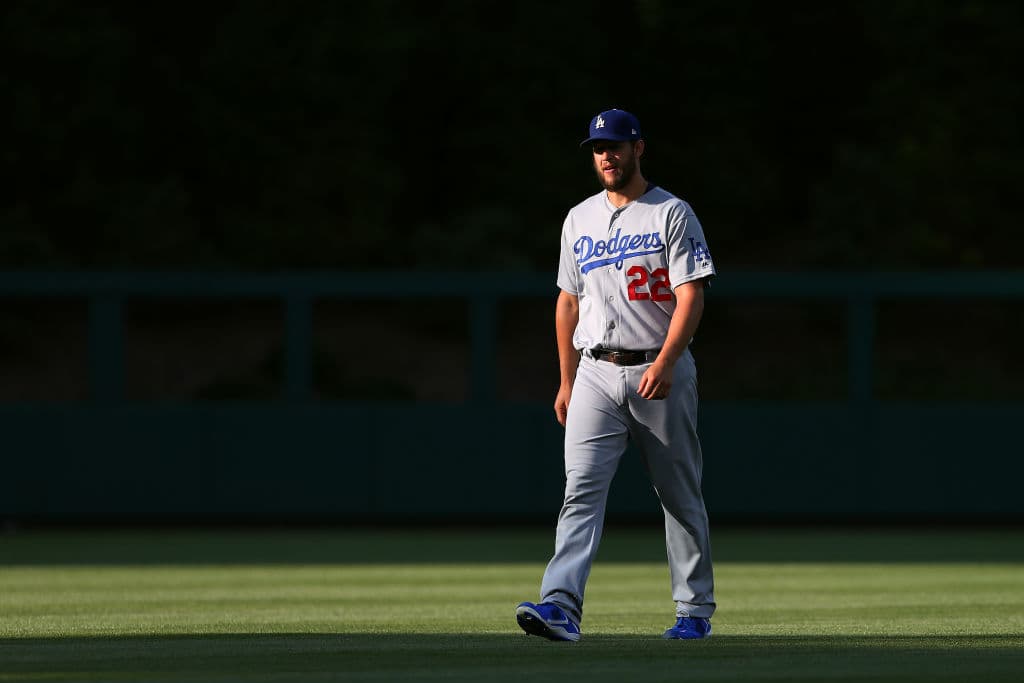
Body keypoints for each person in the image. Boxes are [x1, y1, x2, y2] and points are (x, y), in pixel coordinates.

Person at [515, 108, 717, 641]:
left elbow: (691, 294)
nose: (606, 155)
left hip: (658, 365)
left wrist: (669, 361)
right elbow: (567, 304)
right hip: (594, 373)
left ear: (638, 149)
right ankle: (560, 605)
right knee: (579, 489)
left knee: (678, 492)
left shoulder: (671, 212)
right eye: (598, 147)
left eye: (616, 145)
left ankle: (694, 612)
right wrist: (565, 379)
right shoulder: (579, 217)